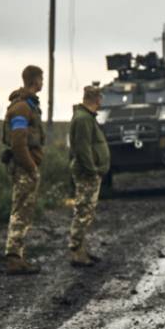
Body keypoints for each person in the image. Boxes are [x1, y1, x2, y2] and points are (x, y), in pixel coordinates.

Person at [1, 65, 46, 275]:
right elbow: (19, 142)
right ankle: (13, 258)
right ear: (34, 80)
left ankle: (17, 257)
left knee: (24, 212)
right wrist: (31, 167)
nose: (43, 82)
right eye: (41, 78)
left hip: (26, 167)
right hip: (24, 168)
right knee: (20, 212)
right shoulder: (21, 108)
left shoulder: (28, 105)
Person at [67, 84, 111, 267]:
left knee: (86, 211)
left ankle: (81, 249)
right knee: (83, 211)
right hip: (87, 173)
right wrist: (92, 170)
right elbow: (83, 148)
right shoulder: (84, 119)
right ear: (97, 99)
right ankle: (77, 251)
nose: (101, 101)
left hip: (89, 172)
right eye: (100, 98)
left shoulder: (86, 117)